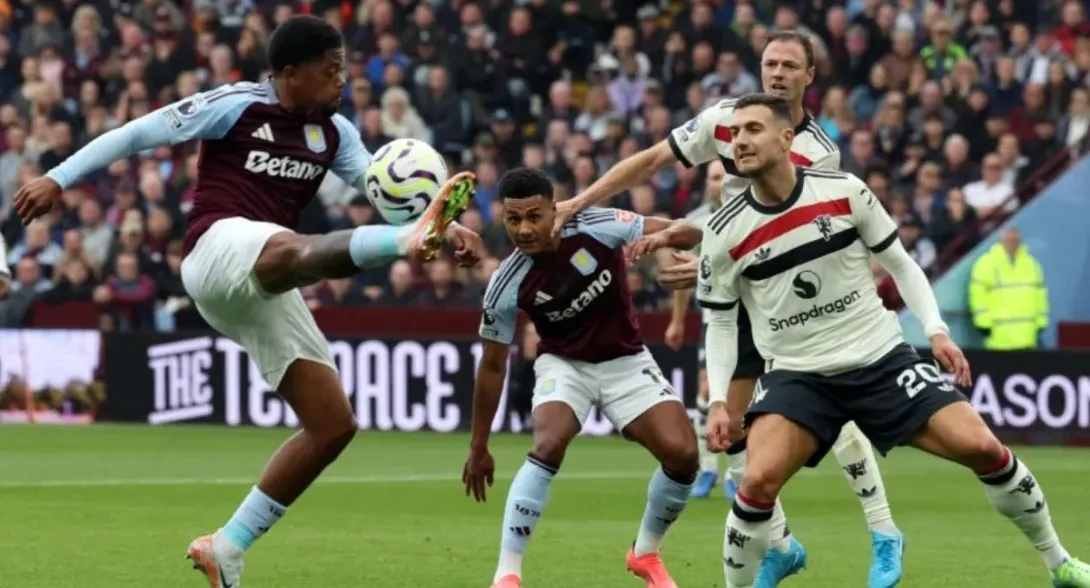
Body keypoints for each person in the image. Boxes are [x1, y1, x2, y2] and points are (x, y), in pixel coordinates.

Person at [12, 16, 483, 588]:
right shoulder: (236, 105)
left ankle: (228, 546)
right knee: (289, 247)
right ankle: (404, 248)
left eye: (344, 68)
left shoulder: (335, 133)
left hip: (265, 280)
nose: (342, 81)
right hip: (215, 251)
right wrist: (58, 178)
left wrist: (444, 222)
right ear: (290, 74)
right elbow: (138, 133)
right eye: (329, 70)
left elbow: (385, 193)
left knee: (333, 425)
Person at [643, 93, 1090, 588]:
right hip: (798, 375)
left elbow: (901, 263)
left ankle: (1060, 564)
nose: (738, 141)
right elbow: (722, 323)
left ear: (787, 138)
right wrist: (724, 401)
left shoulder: (846, 191)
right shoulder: (723, 233)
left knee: (984, 447)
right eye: (734, 133)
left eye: (752, 129)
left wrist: (937, 331)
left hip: (880, 358)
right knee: (755, 483)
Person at [555, 31, 903, 587]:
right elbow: (650, 163)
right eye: (771, 63)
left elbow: (783, 241)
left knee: (835, 415)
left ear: (810, 76)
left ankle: (884, 533)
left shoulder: (819, 154)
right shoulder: (724, 120)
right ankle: (782, 544)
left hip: (796, 300)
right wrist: (577, 202)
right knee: (731, 429)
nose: (778, 73)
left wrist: (699, 262)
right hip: (739, 297)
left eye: (791, 65)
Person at [463, 167, 703, 588]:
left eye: (533, 216)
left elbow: (690, 232)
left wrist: (661, 238)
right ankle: (507, 574)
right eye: (513, 218)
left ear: (553, 208)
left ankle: (645, 553)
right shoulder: (505, 283)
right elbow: (493, 365)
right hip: (564, 364)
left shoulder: (599, 225)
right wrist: (478, 446)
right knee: (548, 442)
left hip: (626, 361)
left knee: (683, 455)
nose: (523, 228)